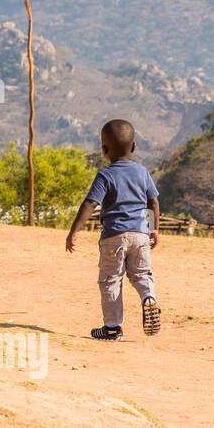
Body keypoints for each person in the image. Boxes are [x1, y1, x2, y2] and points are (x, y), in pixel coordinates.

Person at [65, 119, 162, 340]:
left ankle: (111, 328)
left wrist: (74, 231)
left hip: (114, 237)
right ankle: (149, 298)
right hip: (140, 235)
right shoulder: (142, 172)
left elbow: (90, 203)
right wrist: (154, 229)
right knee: (141, 274)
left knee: (111, 279)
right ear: (134, 147)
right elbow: (153, 202)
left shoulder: (105, 175)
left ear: (104, 150)